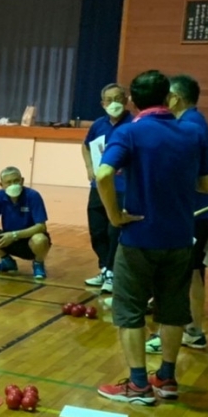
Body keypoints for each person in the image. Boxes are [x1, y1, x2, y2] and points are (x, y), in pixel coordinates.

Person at [96, 70, 208, 405]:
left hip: (139, 238)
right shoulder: (191, 132)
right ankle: (166, 378)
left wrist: (115, 216)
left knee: (130, 312)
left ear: (132, 101)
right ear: (168, 97)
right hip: (180, 238)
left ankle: (137, 385)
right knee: (173, 311)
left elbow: (104, 174)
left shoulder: (131, 133)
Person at [147, 74, 208, 354]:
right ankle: (194, 331)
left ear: (176, 97)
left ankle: (186, 331)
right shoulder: (195, 122)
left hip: (194, 210)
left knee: (181, 274)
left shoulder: (188, 126)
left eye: (167, 95)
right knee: (193, 272)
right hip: (199, 208)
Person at [82, 83, 131, 293]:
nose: (114, 104)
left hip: (122, 188)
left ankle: (112, 272)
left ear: (126, 100)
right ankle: (104, 268)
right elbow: (86, 146)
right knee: (97, 230)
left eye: (118, 98)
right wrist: (90, 168)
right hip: (98, 186)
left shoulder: (133, 124)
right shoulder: (98, 125)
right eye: (109, 100)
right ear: (103, 104)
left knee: (114, 231)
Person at [0, 167, 51, 280]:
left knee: (40, 239)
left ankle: (38, 263)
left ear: (22, 181)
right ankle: (7, 261)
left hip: (28, 240)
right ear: (1, 184)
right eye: (8, 182)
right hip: (8, 239)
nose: (13, 185)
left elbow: (41, 226)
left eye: (16, 181)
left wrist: (14, 235)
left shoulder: (33, 196)